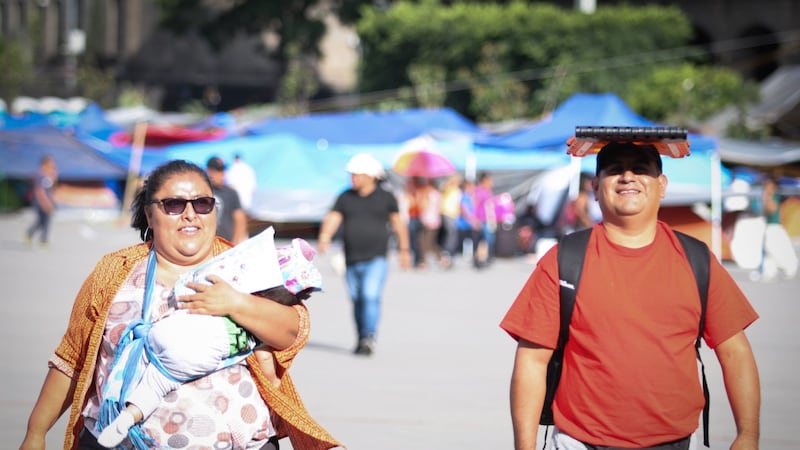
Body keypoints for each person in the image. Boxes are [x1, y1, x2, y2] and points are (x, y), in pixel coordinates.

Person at [20, 159, 340, 450]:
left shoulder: (244, 265)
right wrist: (36, 432)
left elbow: (292, 332)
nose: (190, 214)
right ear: (149, 213)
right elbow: (72, 359)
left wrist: (236, 303)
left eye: (202, 203)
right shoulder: (113, 272)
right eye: (173, 204)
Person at [500, 142, 760, 450]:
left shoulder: (696, 260)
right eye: (614, 169)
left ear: (662, 185)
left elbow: (735, 352)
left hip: (674, 441)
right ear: (596, 187)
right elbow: (531, 360)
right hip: (580, 441)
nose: (627, 176)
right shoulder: (564, 259)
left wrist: (748, 434)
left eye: (640, 168)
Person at [97, 235, 324, 448]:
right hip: (193, 355)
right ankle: (130, 415)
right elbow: (266, 362)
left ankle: (120, 406)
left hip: (166, 328)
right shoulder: (258, 317)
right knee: (156, 383)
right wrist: (274, 385)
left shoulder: (232, 277)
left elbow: (297, 325)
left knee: (143, 367)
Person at [317, 153, 412, 356]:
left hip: (376, 257)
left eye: (357, 174)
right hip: (351, 258)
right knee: (357, 299)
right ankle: (361, 335)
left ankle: (369, 335)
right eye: (352, 174)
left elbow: (398, 223)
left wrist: (404, 250)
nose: (353, 178)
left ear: (370, 175)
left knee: (370, 295)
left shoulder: (385, 197)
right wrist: (325, 236)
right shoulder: (345, 197)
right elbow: (334, 217)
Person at [757, 175, 798, 280]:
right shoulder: (770, 196)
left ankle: (787, 268)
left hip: (774, 227)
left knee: (776, 249)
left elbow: (772, 210)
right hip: (770, 226)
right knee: (769, 250)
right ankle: (769, 271)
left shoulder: (774, 196)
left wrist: (767, 198)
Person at [206, 155, 248, 245]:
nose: (221, 174)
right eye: (217, 171)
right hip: (207, 244)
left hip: (226, 243)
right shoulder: (204, 192)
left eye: (222, 170)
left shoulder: (231, 193)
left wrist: (235, 243)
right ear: (209, 171)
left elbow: (240, 219)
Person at [24, 155, 58, 247]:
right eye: (51, 164)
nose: (53, 166)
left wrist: (54, 177)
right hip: (39, 202)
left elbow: (52, 189)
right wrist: (46, 203)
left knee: (47, 220)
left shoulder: (49, 176)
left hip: (48, 201)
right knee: (41, 220)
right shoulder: (40, 175)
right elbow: (39, 191)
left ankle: (44, 240)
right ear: (44, 164)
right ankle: (30, 233)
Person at [473, 171, 496, 268]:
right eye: (490, 180)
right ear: (484, 180)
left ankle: (486, 258)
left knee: (488, 239)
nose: (492, 182)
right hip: (482, 219)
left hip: (489, 219)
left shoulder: (488, 191)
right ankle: (480, 259)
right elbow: (474, 205)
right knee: (484, 240)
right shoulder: (479, 191)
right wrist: (475, 218)